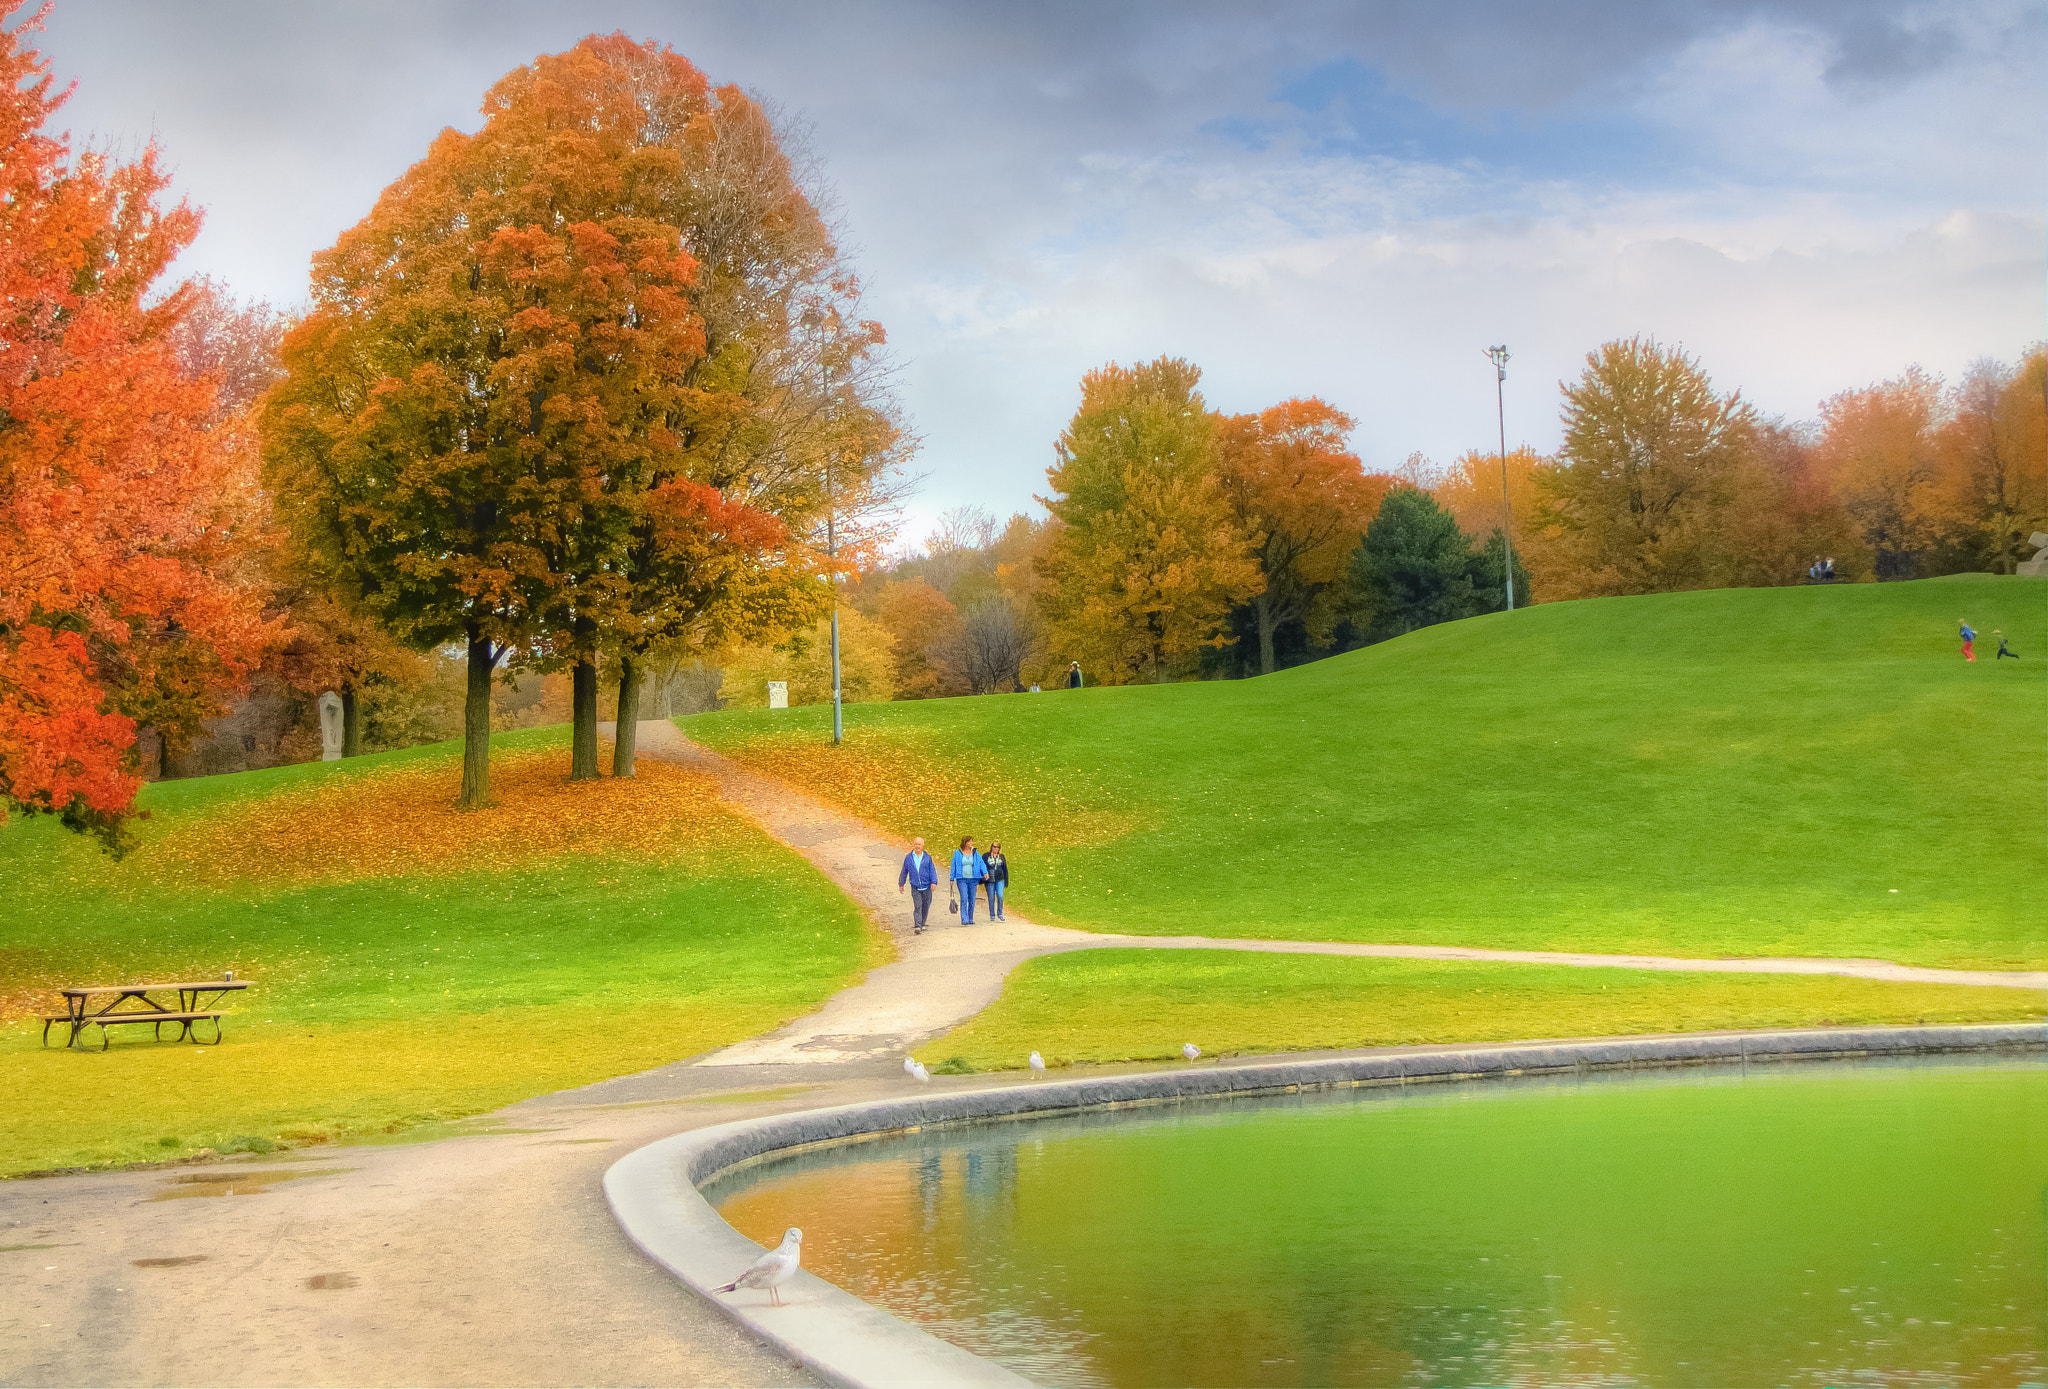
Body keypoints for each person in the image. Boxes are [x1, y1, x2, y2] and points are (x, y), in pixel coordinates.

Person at [897, 836, 937, 934]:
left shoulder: (927, 858)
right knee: (918, 905)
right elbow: (904, 871)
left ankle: (922, 923)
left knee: (926, 905)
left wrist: (934, 882)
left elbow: (932, 870)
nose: (917, 846)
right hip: (915, 886)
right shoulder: (909, 858)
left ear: (922, 846)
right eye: (915, 844)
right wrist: (901, 883)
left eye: (919, 844)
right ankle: (918, 925)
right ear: (913, 845)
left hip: (926, 886)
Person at [950, 835, 987, 924]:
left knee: (972, 899)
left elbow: (981, 863)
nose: (971, 843)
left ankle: (970, 918)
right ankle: (964, 918)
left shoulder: (975, 852)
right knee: (964, 898)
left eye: (971, 841)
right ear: (965, 843)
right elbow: (953, 865)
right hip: (962, 879)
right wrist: (951, 878)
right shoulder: (958, 853)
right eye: (969, 841)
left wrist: (985, 872)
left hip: (973, 879)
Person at [983, 841, 1010, 922]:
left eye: (997, 847)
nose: (995, 848)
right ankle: (992, 914)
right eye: (994, 847)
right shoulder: (986, 856)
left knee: (1000, 895)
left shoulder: (1001, 857)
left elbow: (1004, 868)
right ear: (991, 847)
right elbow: (982, 866)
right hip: (990, 879)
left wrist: (1006, 880)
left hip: (1000, 878)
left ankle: (1000, 913)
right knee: (991, 897)